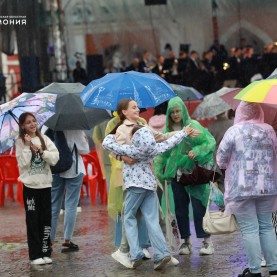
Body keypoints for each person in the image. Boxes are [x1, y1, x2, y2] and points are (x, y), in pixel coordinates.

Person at [103, 124, 200, 269]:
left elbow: (106, 143)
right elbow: (169, 142)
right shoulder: (153, 149)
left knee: (128, 216)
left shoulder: (131, 150)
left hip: (135, 187)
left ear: (135, 138)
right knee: (152, 220)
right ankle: (162, 254)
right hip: (150, 187)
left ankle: (135, 254)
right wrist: (184, 132)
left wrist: (113, 134)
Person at [107, 99, 180, 268]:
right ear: (124, 112)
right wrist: (124, 157)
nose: (138, 109)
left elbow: (160, 138)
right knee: (135, 216)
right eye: (134, 107)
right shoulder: (121, 129)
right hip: (133, 179)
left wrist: (180, 132)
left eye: (137, 106)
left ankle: (155, 252)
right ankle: (142, 251)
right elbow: (114, 149)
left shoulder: (143, 125)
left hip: (147, 178)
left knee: (150, 217)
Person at [216, 101, 277, 277]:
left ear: (240, 112)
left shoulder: (234, 131)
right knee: (266, 226)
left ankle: (255, 271)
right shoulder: (268, 130)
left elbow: (221, 158)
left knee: (250, 229)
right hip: (267, 185)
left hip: (241, 186)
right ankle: (274, 269)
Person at [154, 96, 216, 256]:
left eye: (177, 111)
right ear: (168, 114)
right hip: (176, 176)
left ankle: (207, 241)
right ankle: (185, 242)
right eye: (172, 112)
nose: (175, 114)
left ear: (183, 110)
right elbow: (162, 153)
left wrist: (196, 152)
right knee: (180, 209)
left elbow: (209, 143)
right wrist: (160, 171)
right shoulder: (167, 132)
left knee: (198, 208)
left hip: (194, 174)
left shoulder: (193, 126)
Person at [16, 112, 59, 265]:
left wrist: (41, 151)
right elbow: (23, 164)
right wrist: (28, 147)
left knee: (46, 219)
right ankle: (35, 255)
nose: (32, 124)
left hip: (45, 185)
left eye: (34, 121)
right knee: (33, 220)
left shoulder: (44, 139)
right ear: (22, 126)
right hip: (30, 187)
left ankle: (46, 251)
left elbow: (55, 158)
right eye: (28, 122)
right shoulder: (20, 142)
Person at [50, 130, 90, 252]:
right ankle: (67, 240)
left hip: (55, 168)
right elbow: (84, 150)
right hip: (74, 169)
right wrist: (84, 138)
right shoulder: (75, 127)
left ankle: (49, 240)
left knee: (54, 205)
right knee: (71, 205)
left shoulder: (48, 125)